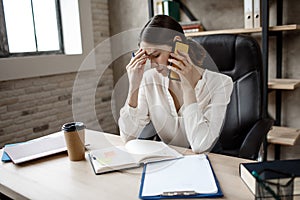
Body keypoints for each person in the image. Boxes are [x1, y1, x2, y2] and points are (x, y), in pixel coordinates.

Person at [118, 15, 233, 153]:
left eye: (156, 55)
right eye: (148, 58)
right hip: (168, 159)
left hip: (209, 159)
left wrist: (188, 88)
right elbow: (127, 137)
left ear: (178, 45)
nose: (153, 65)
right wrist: (134, 87)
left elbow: (200, 146)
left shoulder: (221, 83)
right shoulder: (149, 79)